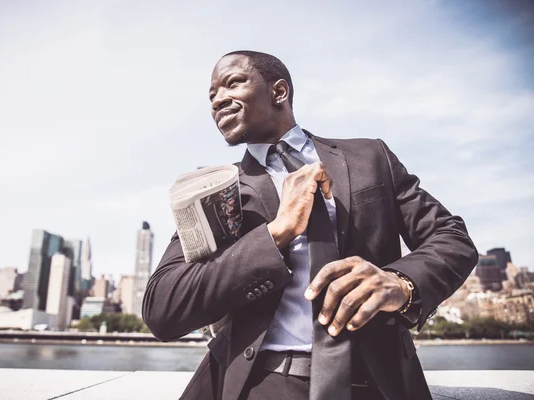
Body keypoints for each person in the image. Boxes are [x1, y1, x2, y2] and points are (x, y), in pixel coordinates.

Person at [142, 50, 478, 400]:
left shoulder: (369, 157)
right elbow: (162, 306)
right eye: (211, 94)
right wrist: (276, 233)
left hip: (380, 383)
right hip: (259, 384)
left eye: (233, 83)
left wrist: (401, 283)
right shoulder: (217, 192)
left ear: (279, 92)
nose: (218, 100)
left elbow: (452, 238)